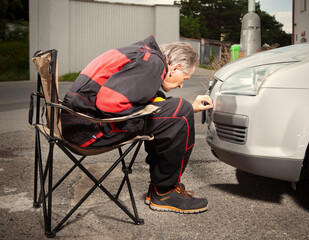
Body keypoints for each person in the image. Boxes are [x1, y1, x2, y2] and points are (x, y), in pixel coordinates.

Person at [61, 35, 213, 214]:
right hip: (89, 131)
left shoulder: (143, 55)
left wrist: (166, 110)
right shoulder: (152, 64)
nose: (181, 85)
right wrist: (177, 111)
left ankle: (160, 187)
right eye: (185, 78)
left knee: (177, 110)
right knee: (180, 111)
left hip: (78, 125)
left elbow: (130, 94)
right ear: (175, 68)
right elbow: (109, 103)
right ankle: (165, 192)